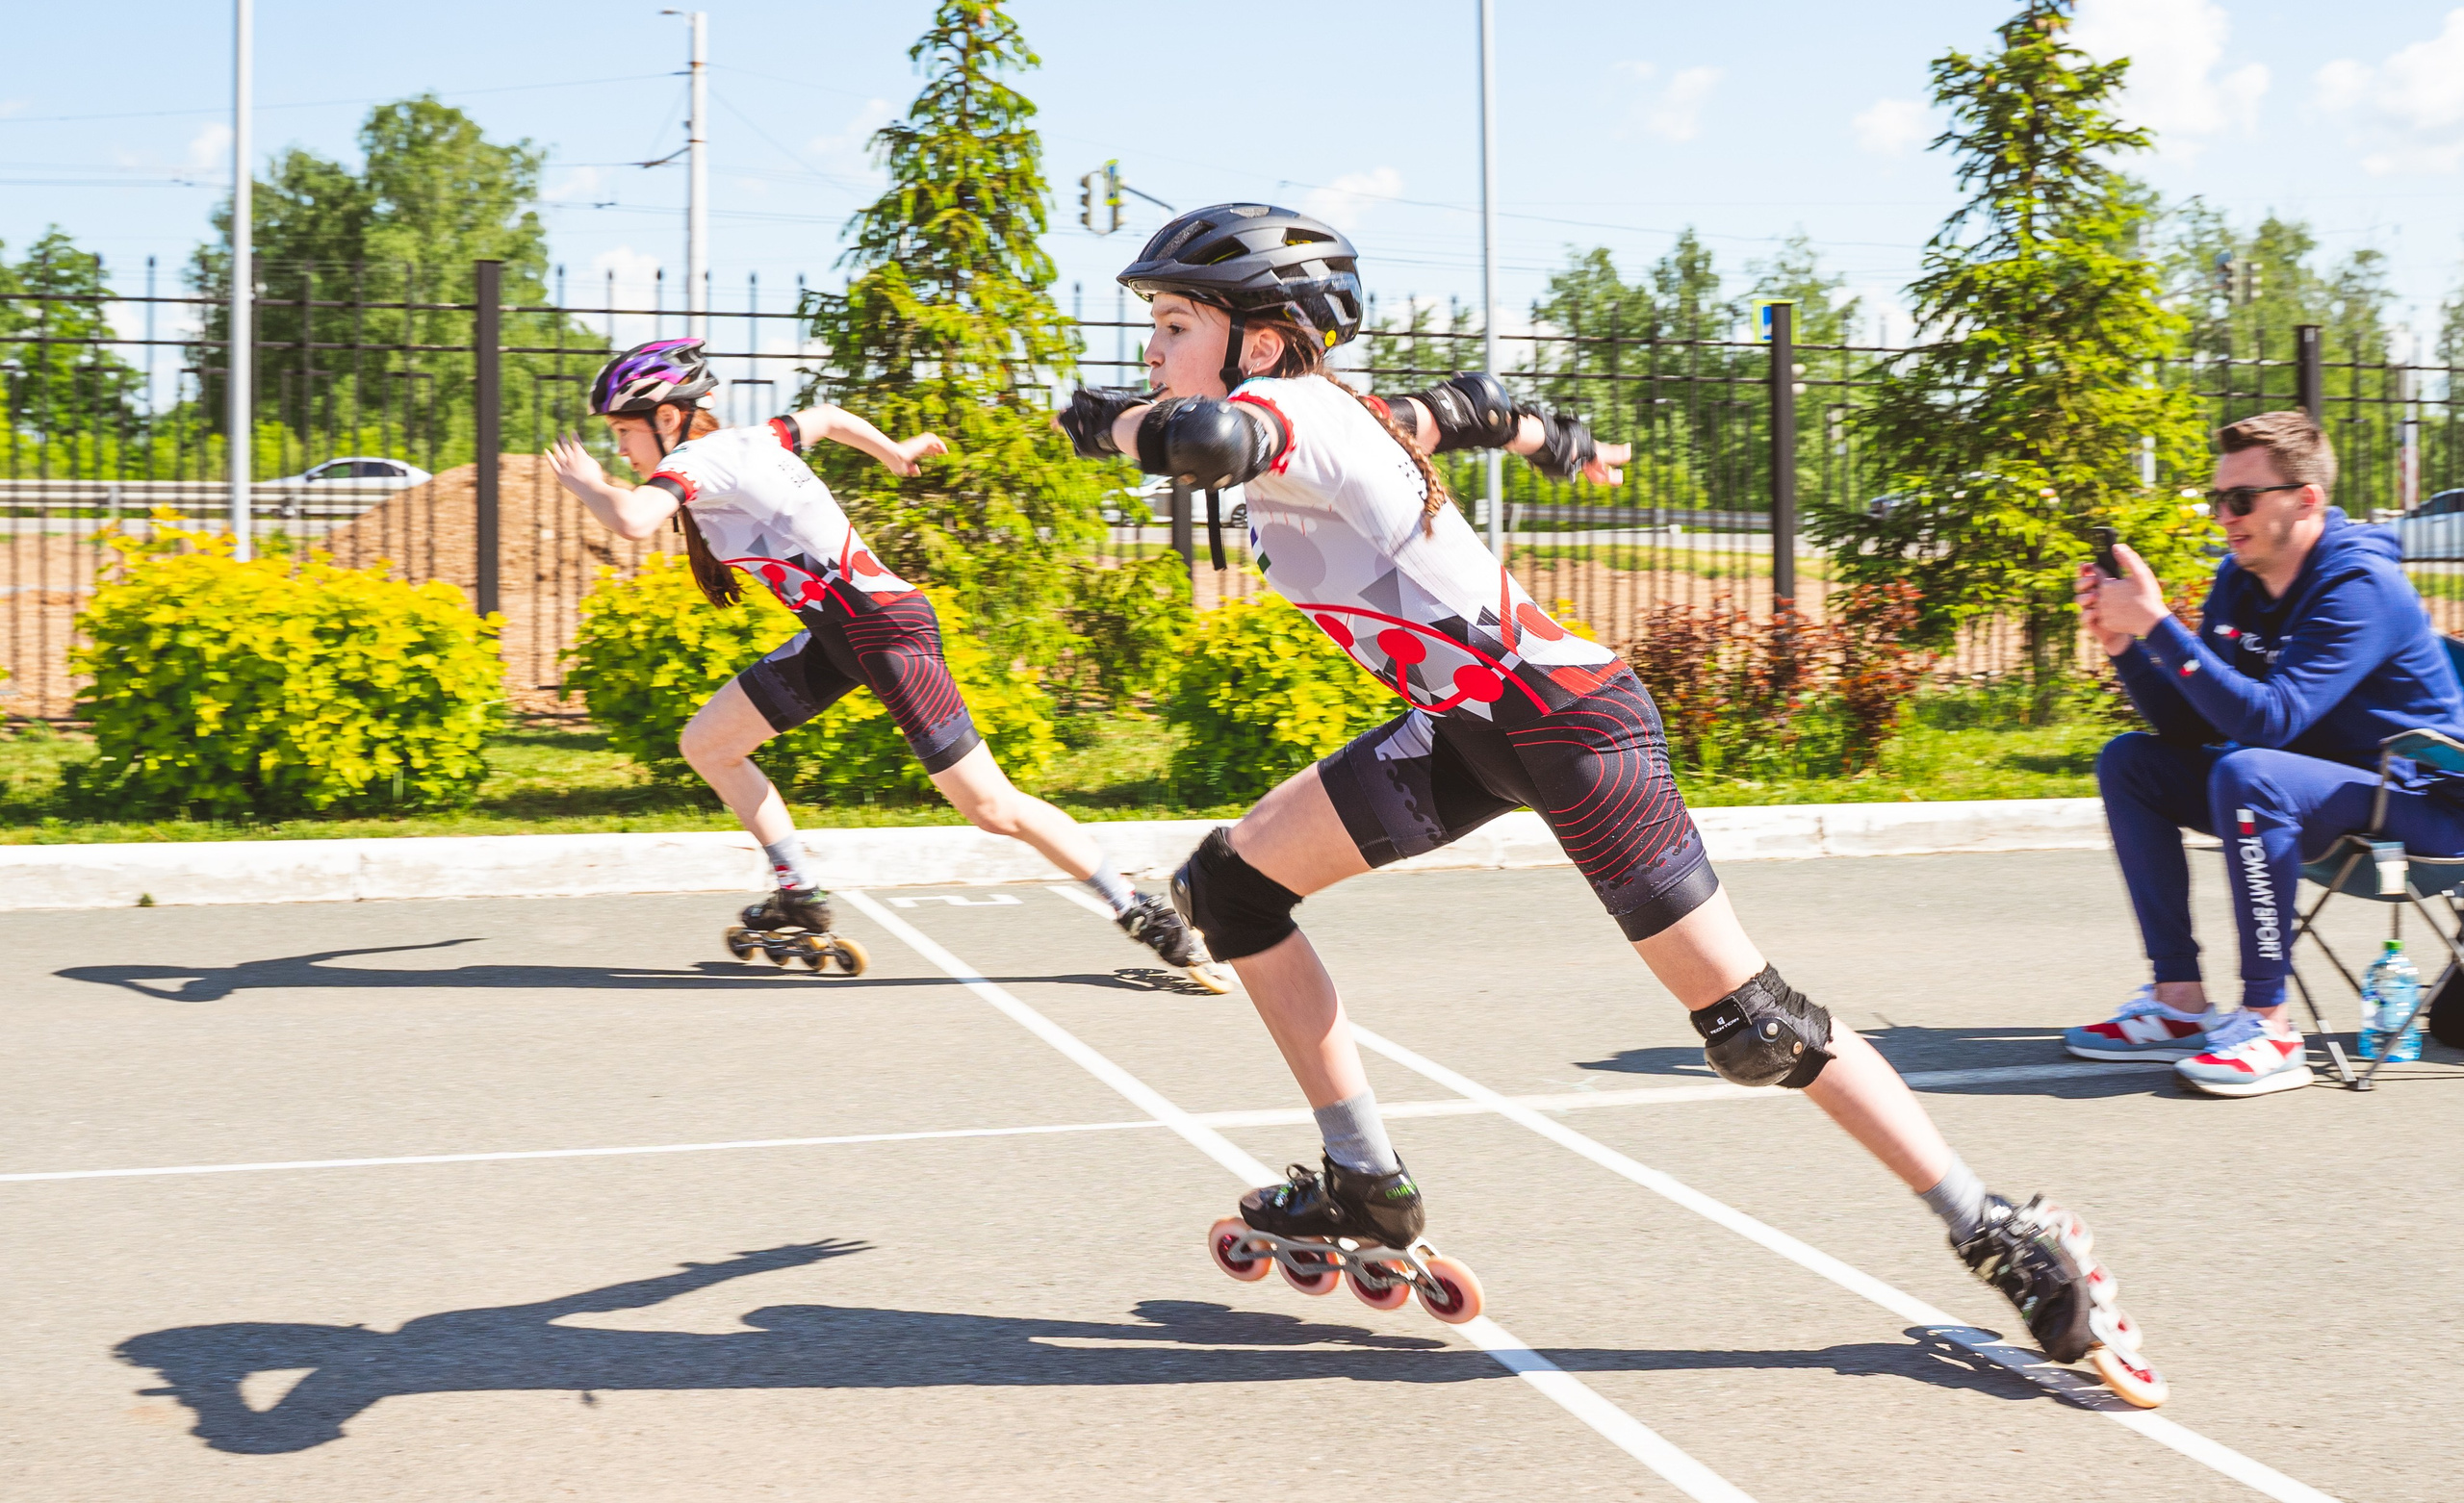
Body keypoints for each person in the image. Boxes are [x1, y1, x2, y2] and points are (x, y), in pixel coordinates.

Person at [1056, 202, 2167, 1405]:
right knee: (1230, 890)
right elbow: (1467, 406)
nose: (1152, 349)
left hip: (1570, 726)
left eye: (1174, 324)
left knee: (1755, 1026)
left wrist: (1106, 421)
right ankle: (1363, 1181)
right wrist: (1557, 440)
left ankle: (2003, 1230)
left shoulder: (1292, 412)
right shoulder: (1349, 415)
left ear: (1262, 342)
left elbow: (1206, 436)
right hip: (1464, 730)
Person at [548, 339, 1237, 993]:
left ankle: (1140, 910)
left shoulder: (704, 458)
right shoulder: (751, 441)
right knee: (708, 744)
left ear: (668, 418)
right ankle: (798, 892)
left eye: (624, 433)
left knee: (991, 807)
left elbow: (634, 520)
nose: (620, 450)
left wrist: (587, 484)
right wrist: (893, 451)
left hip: (886, 632)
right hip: (838, 637)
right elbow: (824, 418)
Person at [2071, 410, 2464, 1095]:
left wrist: (2159, 624)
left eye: (2242, 499)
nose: (2225, 515)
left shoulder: (2361, 586)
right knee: (2131, 763)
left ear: (2305, 500)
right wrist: (2126, 647)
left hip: (2425, 804)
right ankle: (2179, 1002)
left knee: (2250, 772)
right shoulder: (2240, 579)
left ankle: (2269, 1025)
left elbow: (2269, 722)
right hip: (2320, 789)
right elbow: (2191, 726)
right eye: (2218, 499)